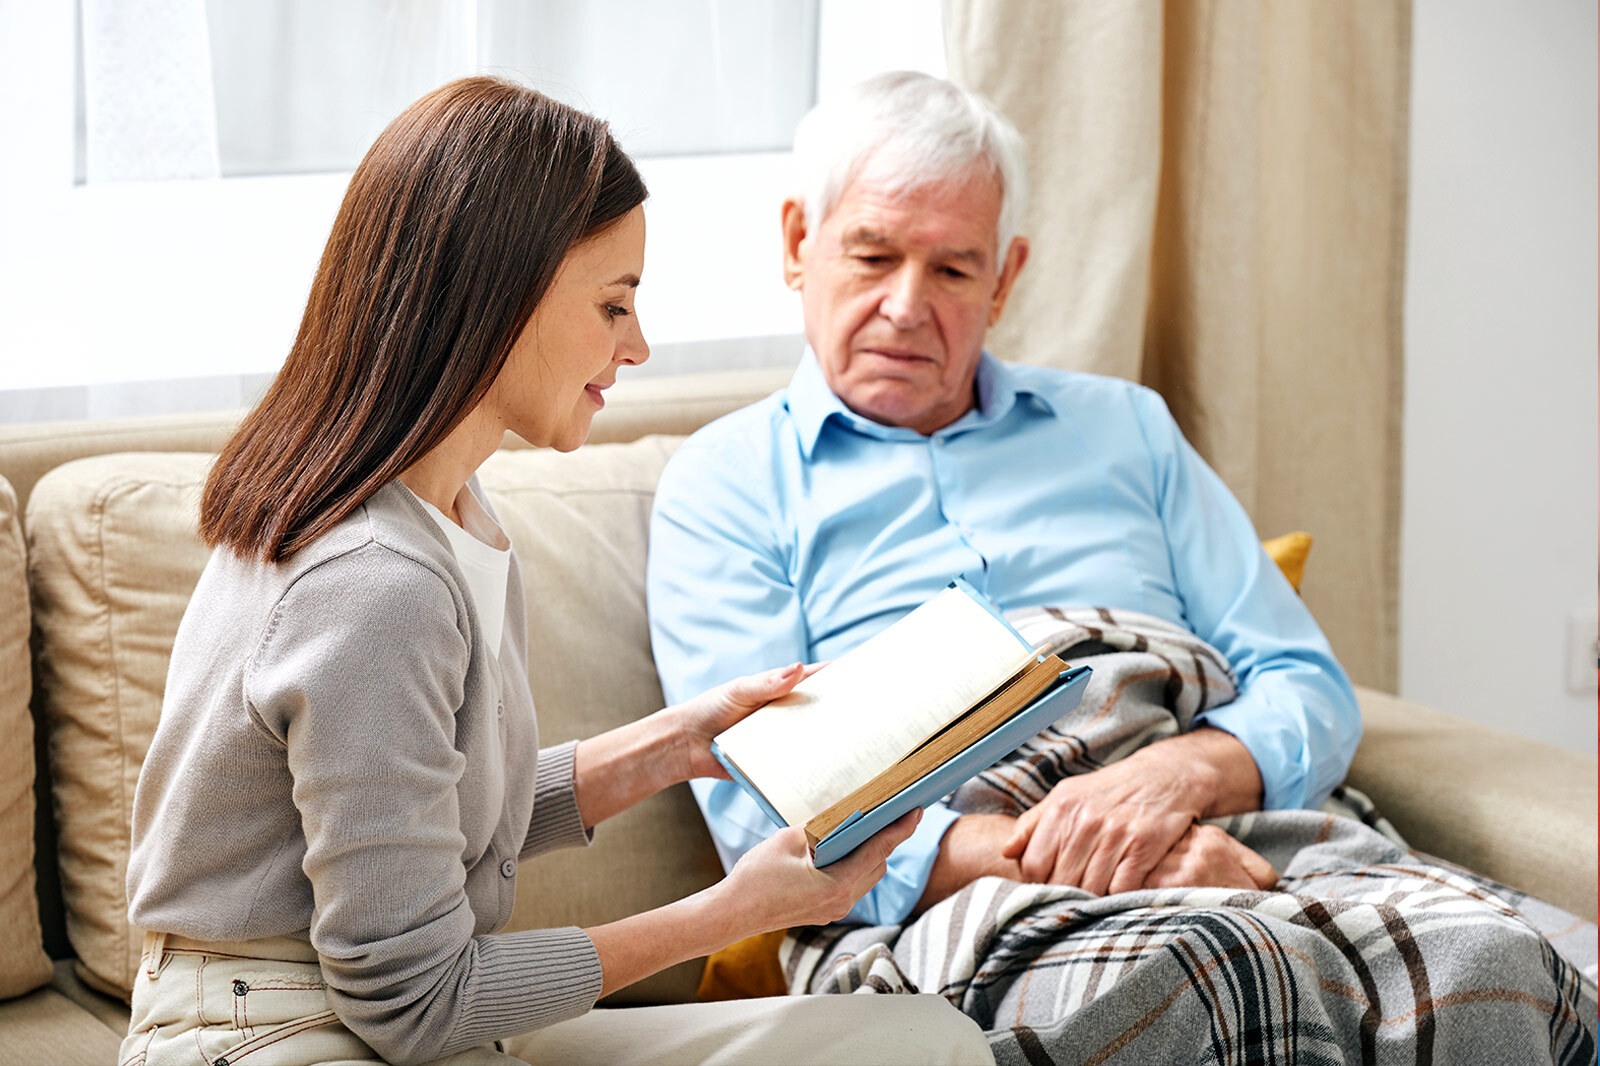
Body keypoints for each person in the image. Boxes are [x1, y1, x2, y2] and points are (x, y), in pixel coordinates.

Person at [119, 77, 995, 1066]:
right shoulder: (371, 583)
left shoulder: (449, 512)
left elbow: (428, 811)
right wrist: (733, 910)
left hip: (378, 1017)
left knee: (912, 1039)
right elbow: (412, 1001)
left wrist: (669, 745)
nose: (638, 345)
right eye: (614, 303)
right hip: (276, 1032)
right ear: (497, 293)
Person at [646, 70, 1361, 926]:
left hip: (1225, 823)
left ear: (1005, 278)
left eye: (953, 268)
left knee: (1493, 965)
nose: (906, 307)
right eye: (873, 256)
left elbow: (1306, 682)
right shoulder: (723, 483)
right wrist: (1117, 861)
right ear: (800, 241)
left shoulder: (1128, 427)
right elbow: (772, 807)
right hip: (967, 898)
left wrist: (1179, 777)